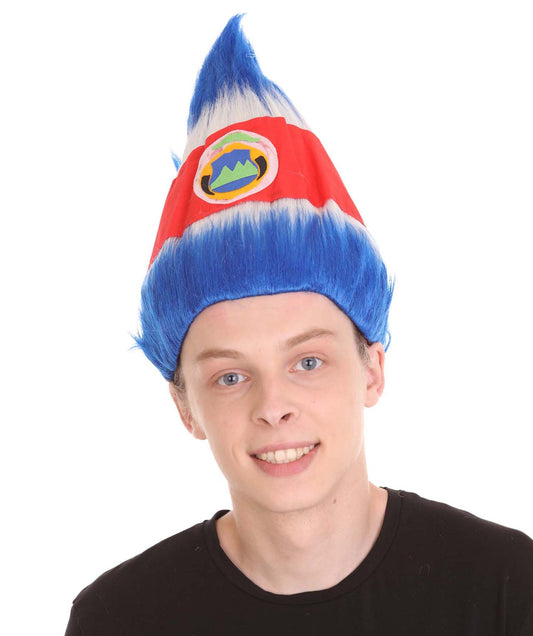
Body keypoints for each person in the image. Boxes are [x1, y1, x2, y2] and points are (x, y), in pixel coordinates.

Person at [65, 15, 533, 635]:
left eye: (308, 362)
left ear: (372, 370)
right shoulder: (119, 619)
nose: (273, 407)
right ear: (185, 407)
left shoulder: (506, 587)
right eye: (230, 376)